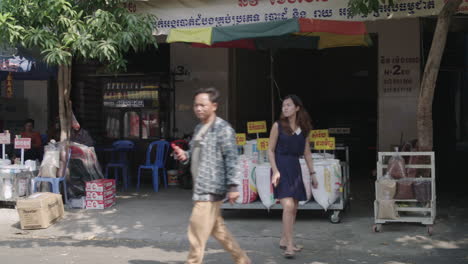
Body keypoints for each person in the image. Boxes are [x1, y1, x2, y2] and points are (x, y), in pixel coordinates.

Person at [172, 87, 251, 264]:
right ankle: (242, 259)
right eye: (196, 105)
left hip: (211, 189)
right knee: (219, 230)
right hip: (199, 187)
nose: (198, 109)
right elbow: (193, 153)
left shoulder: (223, 129)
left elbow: (232, 158)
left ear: (214, 106)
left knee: (196, 234)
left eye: (203, 105)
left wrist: (233, 186)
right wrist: (184, 155)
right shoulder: (199, 127)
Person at [268, 94, 318, 259]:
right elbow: (270, 150)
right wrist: (275, 171)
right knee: (288, 206)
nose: (285, 108)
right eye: (284, 106)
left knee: (294, 208)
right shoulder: (278, 126)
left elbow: (307, 153)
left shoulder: (304, 129)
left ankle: (284, 239)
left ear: (297, 108)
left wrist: (313, 174)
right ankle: (289, 246)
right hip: (280, 168)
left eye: (289, 105)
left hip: (295, 168)